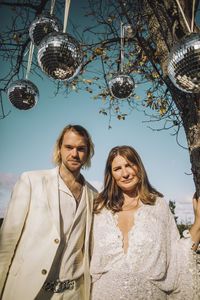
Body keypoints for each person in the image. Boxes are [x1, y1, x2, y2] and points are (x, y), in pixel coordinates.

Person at [0, 124, 97, 300]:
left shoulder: (94, 195)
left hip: (74, 294)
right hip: (29, 290)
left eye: (81, 149)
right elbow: (6, 243)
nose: (74, 154)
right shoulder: (31, 181)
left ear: (88, 153)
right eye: (69, 147)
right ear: (59, 148)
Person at [90, 145, 200, 300]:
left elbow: (177, 257)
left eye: (129, 165)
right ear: (111, 174)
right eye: (118, 169)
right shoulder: (99, 208)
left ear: (138, 168)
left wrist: (199, 222)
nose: (125, 173)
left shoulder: (157, 205)